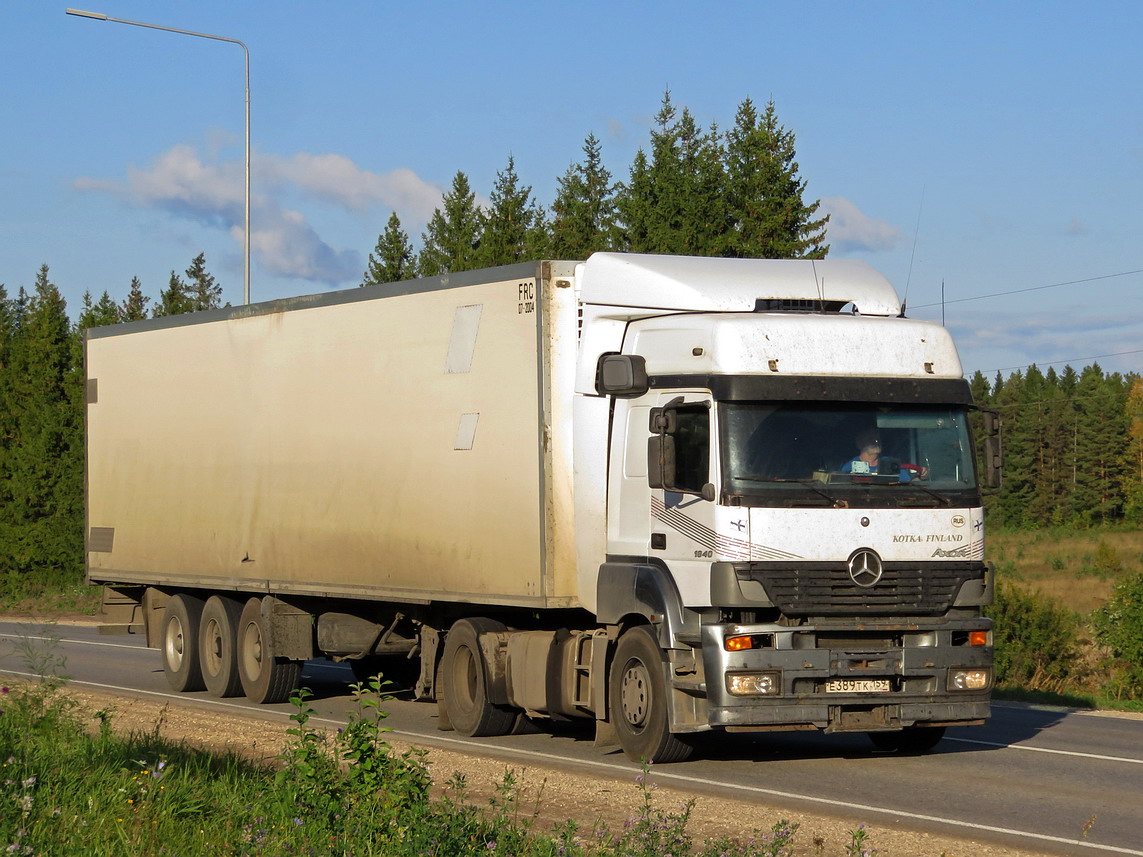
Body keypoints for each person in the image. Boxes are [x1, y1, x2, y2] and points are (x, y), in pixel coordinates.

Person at [839, 429, 927, 481]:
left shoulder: (892, 463)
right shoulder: (849, 467)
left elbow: (907, 486)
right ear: (859, 444)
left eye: (878, 439)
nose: (876, 442)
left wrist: (921, 477)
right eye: (871, 439)